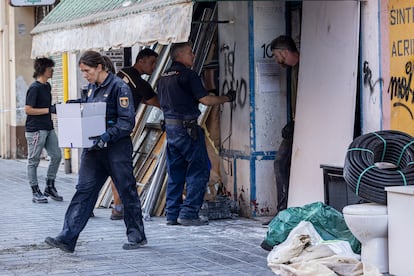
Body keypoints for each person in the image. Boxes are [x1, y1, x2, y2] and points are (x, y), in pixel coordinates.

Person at [45, 50, 146, 253]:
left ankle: (136, 235)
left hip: (116, 148)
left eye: (87, 70)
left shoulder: (120, 87)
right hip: (94, 149)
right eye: (82, 71)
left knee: (126, 189)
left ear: (100, 67)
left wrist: (107, 136)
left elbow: (127, 122)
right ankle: (67, 237)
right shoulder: (92, 88)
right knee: (84, 190)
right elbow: (88, 108)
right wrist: (66, 107)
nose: (84, 74)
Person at [156, 42, 236, 226]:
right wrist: (227, 98)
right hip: (187, 130)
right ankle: (189, 213)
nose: (193, 56)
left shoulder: (163, 77)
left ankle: (172, 214)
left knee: (175, 172)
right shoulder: (188, 75)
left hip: (171, 129)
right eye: (190, 53)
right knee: (198, 170)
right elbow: (206, 100)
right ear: (180, 55)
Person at [109, 48, 160, 220]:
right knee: (120, 169)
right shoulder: (139, 83)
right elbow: (157, 102)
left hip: (109, 129)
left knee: (109, 168)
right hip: (119, 131)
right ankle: (118, 208)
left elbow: (140, 98)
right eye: (152, 63)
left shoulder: (122, 73)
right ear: (141, 60)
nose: (154, 67)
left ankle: (116, 206)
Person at [25, 57, 63, 203]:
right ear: (43, 70)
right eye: (50, 68)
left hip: (48, 127)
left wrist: (53, 108)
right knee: (33, 160)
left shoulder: (47, 86)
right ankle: (35, 190)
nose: (52, 71)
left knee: (56, 155)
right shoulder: (34, 88)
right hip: (35, 129)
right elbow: (28, 110)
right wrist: (49, 109)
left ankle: (50, 185)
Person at [270, 35, 300, 216]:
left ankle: (284, 212)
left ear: (284, 52)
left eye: (276, 55)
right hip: (298, 123)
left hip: (310, 124)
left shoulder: (303, 68)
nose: (276, 60)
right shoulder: (294, 70)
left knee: (281, 163)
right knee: (281, 164)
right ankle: (284, 212)